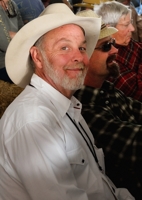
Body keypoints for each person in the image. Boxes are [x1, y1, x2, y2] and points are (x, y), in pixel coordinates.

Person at [0, 3, 135, 200]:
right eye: (64, 47)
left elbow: (98, 183)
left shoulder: (67, 105)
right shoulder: (33, 121)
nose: (78, 57)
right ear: (37, 57)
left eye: (81, 47)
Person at [75, 8, 142, 200]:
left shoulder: (105, 89)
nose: (115, 50)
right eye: (106, 47)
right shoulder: (83, 108)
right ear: (83, 57)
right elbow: (135, 142)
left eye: (112, 43)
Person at [93, 1, 142, 102]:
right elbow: (137, 92)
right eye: (126, 25)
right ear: (108, 28)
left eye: (131, 23)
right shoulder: (106, 59)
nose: (132, 29)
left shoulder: (125, 42)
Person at [0, 0, 24, 83]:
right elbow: (4, 44)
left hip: (17, 55)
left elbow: (23, 30)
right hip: (3, 62)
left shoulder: (12, 4)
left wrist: (15, 35)